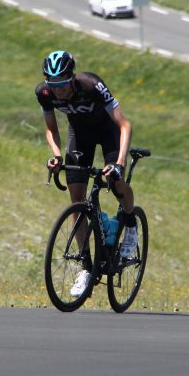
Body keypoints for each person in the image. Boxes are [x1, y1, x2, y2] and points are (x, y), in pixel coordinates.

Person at [36, 50, 139, 297]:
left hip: (108, 132)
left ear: (72, 77)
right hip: (80, 136)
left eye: (62, 84)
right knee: (77, 202)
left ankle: (130, 221)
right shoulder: (44, 93)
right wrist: (57, 155)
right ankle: (86, 266)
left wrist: (120, 163)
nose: (58, 90)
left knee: (115, 183)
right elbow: (51, 129)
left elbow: (124, 124)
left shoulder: (91, 84)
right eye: (53, 84)